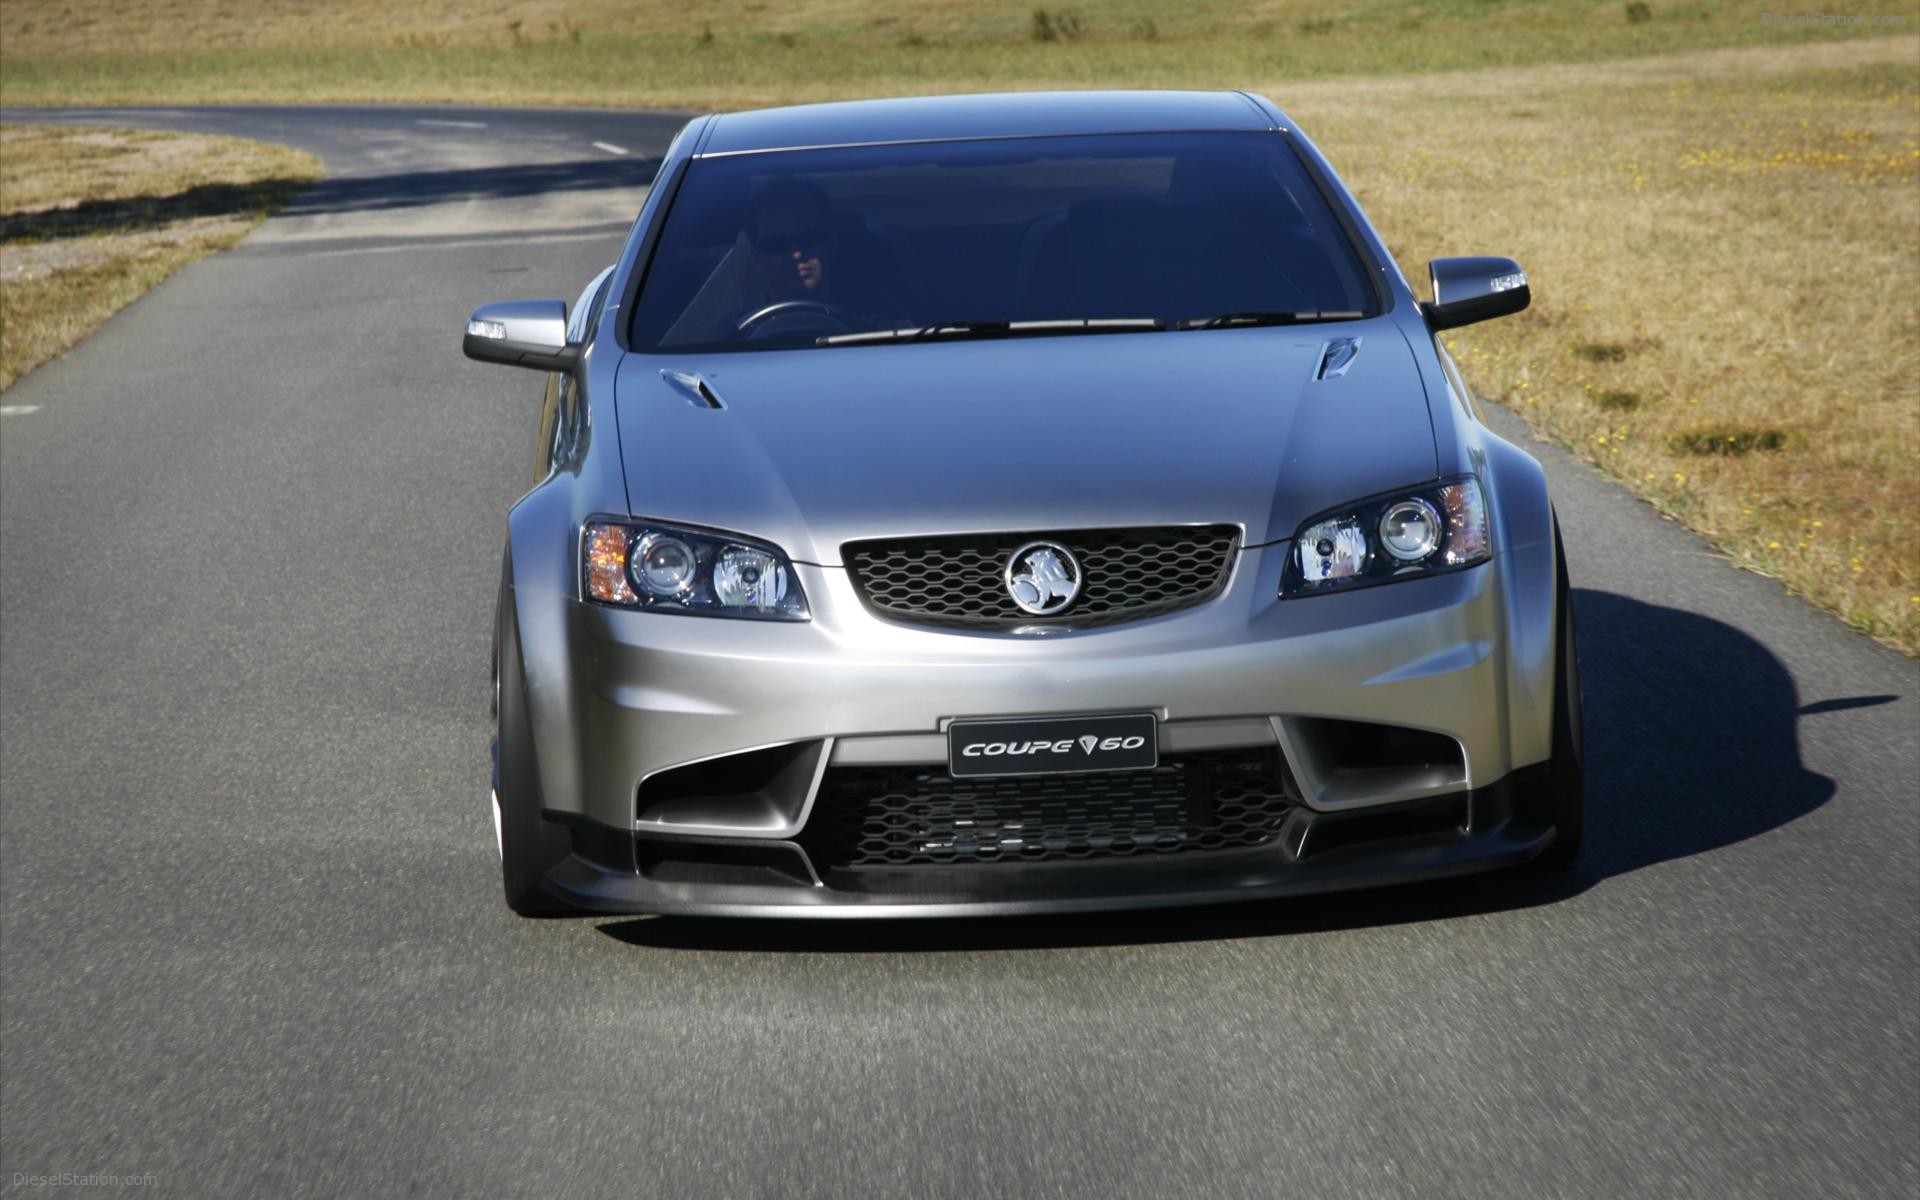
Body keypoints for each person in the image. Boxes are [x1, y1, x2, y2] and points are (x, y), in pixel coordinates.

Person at [662, 177, 880, 347]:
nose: (796, 254)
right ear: (756, 256)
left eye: (809, 240)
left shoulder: (883, 323)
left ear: (831, 245)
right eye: (777, 245)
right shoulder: (717, 339)